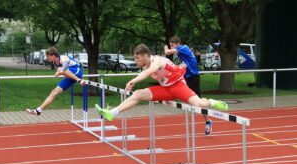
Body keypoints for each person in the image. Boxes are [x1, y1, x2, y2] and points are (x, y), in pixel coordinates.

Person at [95, 43, 228, 123]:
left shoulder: (157, 61)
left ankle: (211, 101)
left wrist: (133, 80)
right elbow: (148, 72)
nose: (135, 61)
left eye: (137, 58)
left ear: (146, 55)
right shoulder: (145, 64)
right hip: (165, 89)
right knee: (138, 94)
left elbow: (149, 72)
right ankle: (112, 113)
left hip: (178, 86)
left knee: (199, 104)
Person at [164, 36, 213, 135]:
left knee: (198, 102)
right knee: (174, 82)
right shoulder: (181, 51)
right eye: (170, 45)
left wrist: (165, 47)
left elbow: (168, 52)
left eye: (172, 45)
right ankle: (167, 95)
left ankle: (208, 120)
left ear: (177, 44)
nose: (171, 47)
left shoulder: (183, 48)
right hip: (185, 76)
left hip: (193, 77)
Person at [26, 46, 86, 116]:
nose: (47, 58)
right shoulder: (55, 63)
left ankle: (79, 80)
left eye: (48, 56)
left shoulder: (63, 57)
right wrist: (61, 71)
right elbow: (64, 72)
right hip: (70, 77)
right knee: (54, 92)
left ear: (53, 55)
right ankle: (38, 110)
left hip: (77, 72)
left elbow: (65, 64)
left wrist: (60, 72)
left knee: (60, 69)